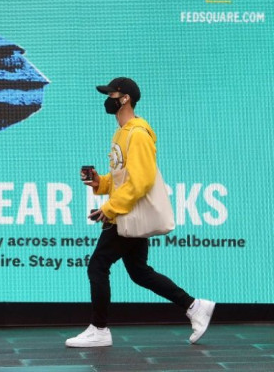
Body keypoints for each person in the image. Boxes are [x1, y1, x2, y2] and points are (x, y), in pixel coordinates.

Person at [65, 77, 215, 348]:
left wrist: (109, 207)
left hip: (126, 213)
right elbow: (124, 176)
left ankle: (99, 329)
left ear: (125, 99)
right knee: (139, 272)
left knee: (98, 265)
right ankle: (194, 306)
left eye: (111, 94)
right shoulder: (121, 133)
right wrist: (102, 182)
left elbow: (142, 179)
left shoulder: (138, 133)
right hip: (127, 212)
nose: (107, 99)